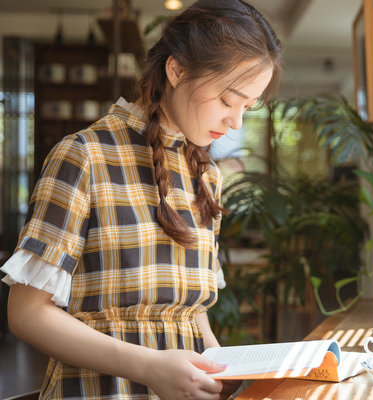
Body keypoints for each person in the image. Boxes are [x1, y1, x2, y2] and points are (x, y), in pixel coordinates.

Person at [0, 0, 282, 398]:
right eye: (227, 100)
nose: (236, 121)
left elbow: (189, 310)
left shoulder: (207, 176)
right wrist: (149, 367)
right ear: (177, 69)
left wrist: (218, 365)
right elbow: (26, 314)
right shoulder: (85, 156)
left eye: (248, 107)